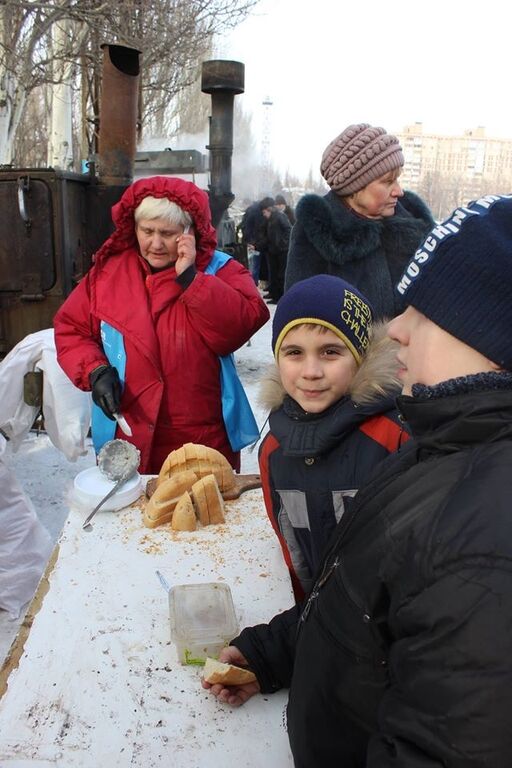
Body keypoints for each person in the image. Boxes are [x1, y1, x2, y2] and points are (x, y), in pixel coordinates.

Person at [203, 194, 512, 767]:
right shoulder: (443, 454)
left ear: (489, 337)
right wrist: (274, 653)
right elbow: (362, 599)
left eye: (424, 310)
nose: (394, 330)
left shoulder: (483, 537)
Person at [54, 176, 269, 474]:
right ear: (134, 228)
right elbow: (72, 329)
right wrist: (95, 369)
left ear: (189, 232)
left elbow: (240, 325)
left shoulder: (221, 270)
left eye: (167, 233)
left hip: (200, 437)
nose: (155, 244)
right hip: (129, 433)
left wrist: (191, 279)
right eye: (147, 231)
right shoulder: (107, 274)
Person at [258, 274, 408, 599]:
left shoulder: (396, 437)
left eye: (330, 352)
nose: (311, 371)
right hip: (321, 622)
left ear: (360, 356)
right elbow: (291, 549)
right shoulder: (273, 450)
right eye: (294, 352)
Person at [284, 123, 435, 320]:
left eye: (397, 180)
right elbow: (298, 318)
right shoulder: (320, 231)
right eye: (388, 182)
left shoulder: (414, 223)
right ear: (354, 186)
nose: (399, 191)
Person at [260, 196, 292, 303]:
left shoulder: (279, 217)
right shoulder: (271, 219)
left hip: (281, 250)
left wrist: (283, 243)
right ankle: (274, 293)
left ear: (269, 210)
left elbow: (288, 229)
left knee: (280, 274)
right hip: (273, 250)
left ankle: (279, 296)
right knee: (273, 274)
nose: (264, 215)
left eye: (264, 212)